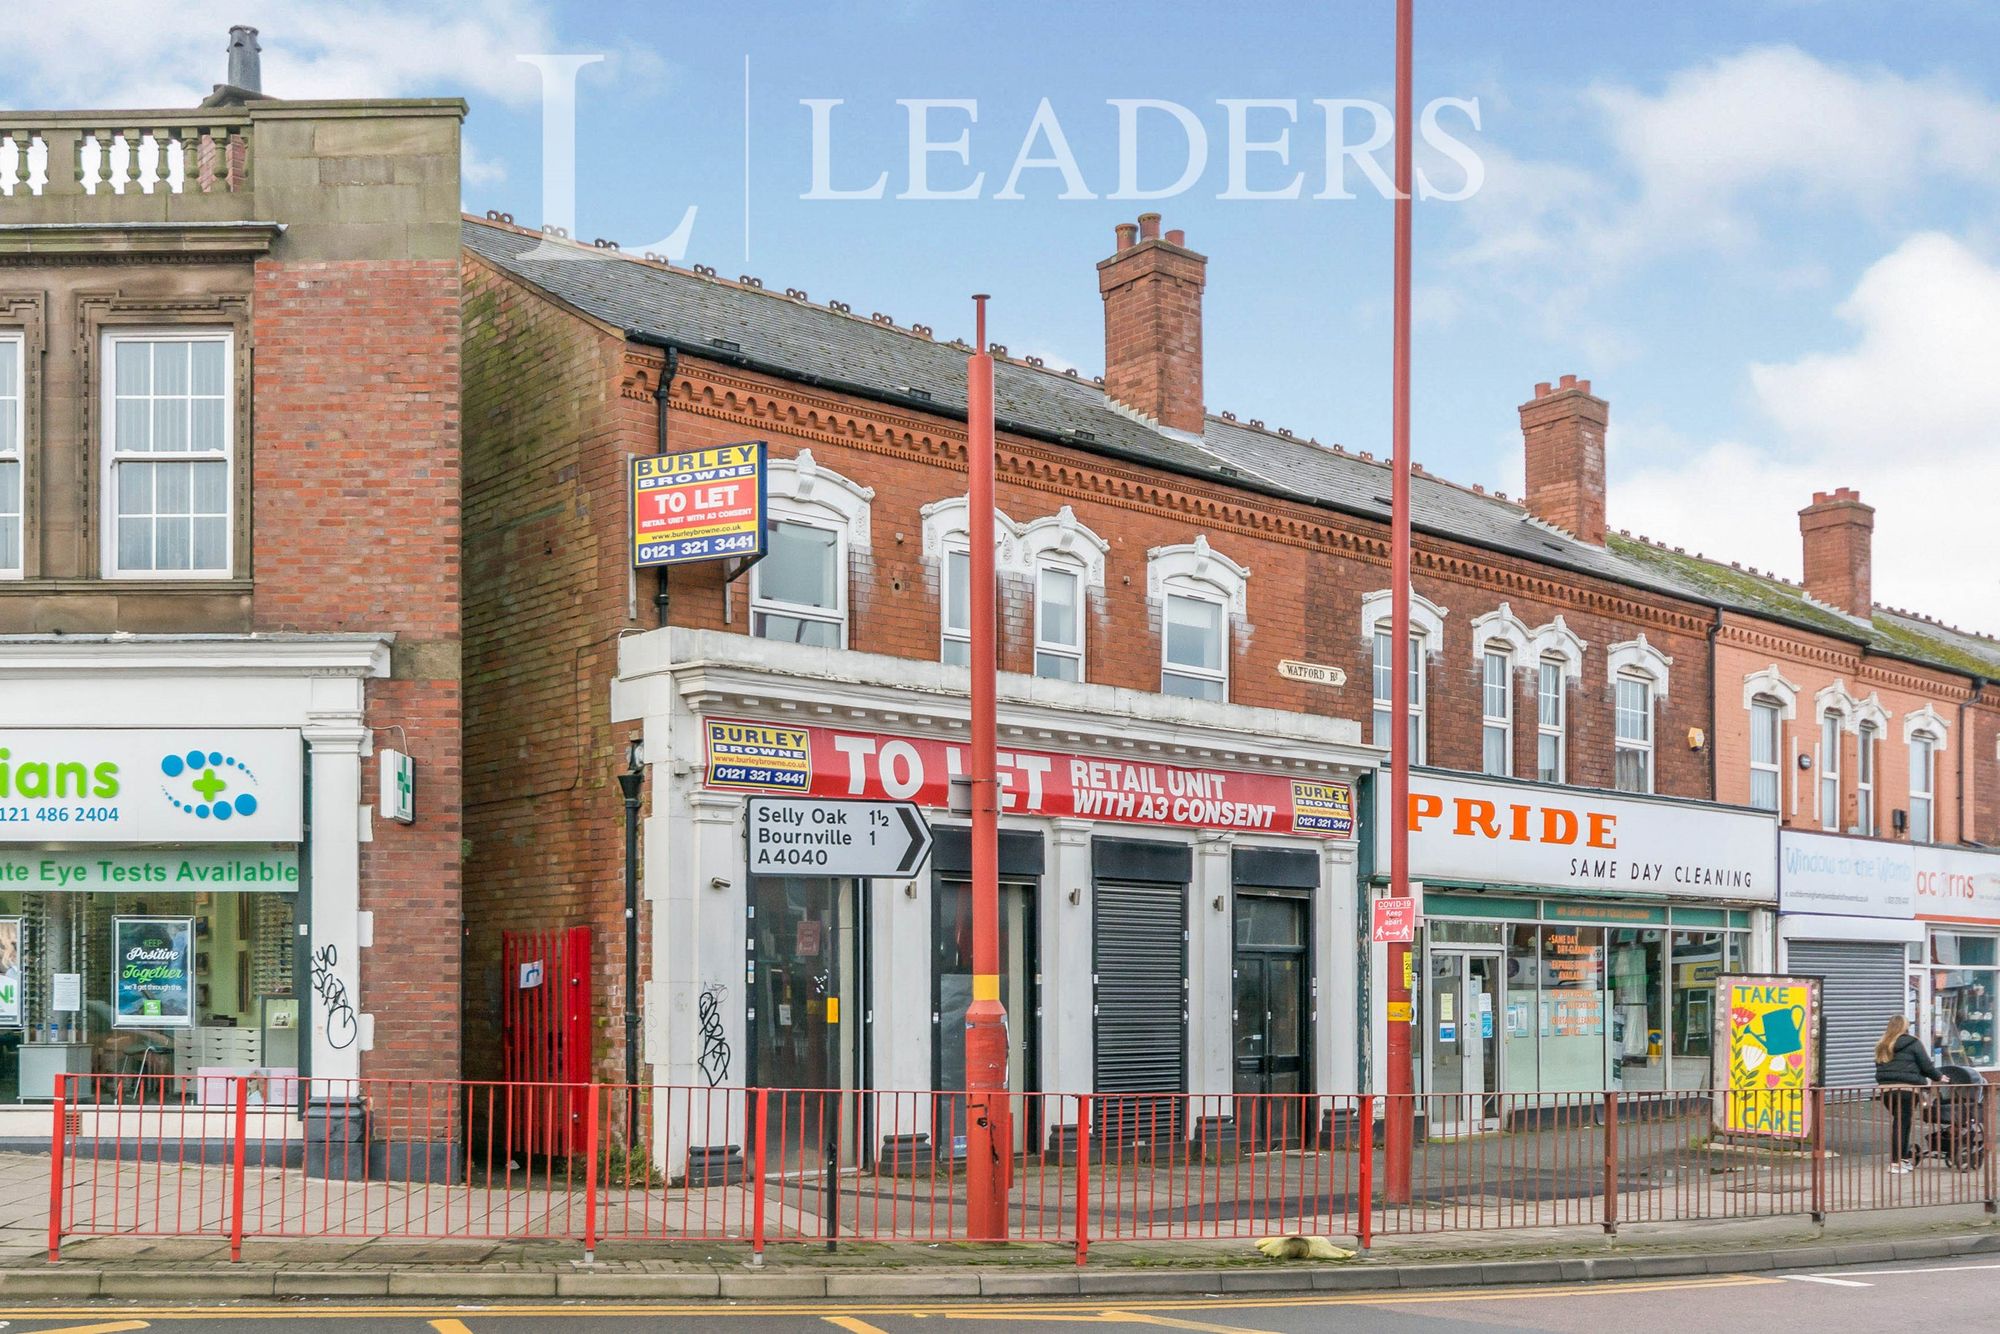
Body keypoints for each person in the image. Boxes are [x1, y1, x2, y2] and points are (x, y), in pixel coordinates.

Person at [1875, 1015, 1942, 1173]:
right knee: (1902, 1124)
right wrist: (1938, 1076)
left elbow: (1879, 1067)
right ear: (1905, 1027)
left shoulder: (1882, 1044)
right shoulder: (1913, 1042)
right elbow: (1926, 1065)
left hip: (1886, 1092)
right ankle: (1896, 1163)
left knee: (1900, 1123)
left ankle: (1902, 1159)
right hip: (1907, 1090)